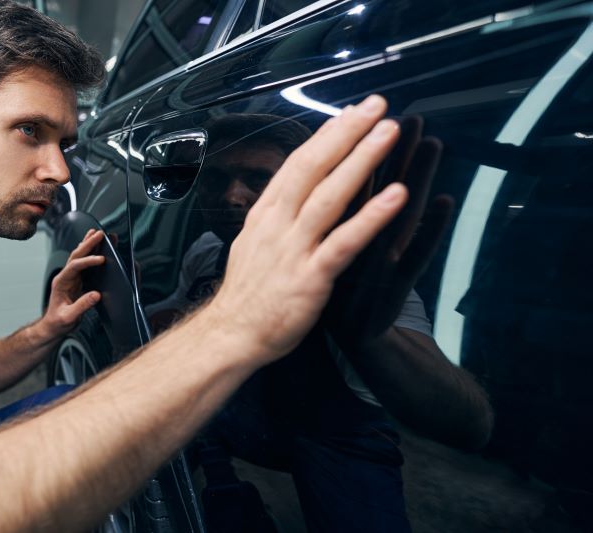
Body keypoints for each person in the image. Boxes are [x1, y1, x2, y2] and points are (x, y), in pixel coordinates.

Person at [0, 1, 451, 531]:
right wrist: (233, 321)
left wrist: (45, 329)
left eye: (65, 142)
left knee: (71, 403)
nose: (58, 169)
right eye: (29, 131)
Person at [147, 114, 493, 531]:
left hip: (329, 439)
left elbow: (469, 425)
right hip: (238, 422)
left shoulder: (350, 277)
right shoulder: (207, 250)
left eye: (259, 179)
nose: (232, 197)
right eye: (216, 178)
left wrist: (370, 339)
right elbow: (177, 306)